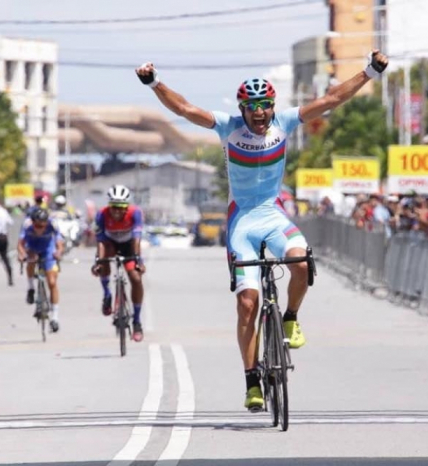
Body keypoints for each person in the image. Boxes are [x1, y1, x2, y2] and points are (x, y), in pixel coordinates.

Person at [136, 49, 389, 410]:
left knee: (301, 262)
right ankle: (252, 380)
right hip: (242, 221)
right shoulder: (227, 127)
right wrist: (154, 83)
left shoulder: (285, 122)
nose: (259, 112)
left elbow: (333, 98)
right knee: (246, 304)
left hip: (272, 215)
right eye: (252, 106)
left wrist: (369, 71)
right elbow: (185, 109)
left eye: (265, 105)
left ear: (273, 106)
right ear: (242, 109)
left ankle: (290, 318)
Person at [91, 185, 146, 342]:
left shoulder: (135, 213)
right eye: (114, 207)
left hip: (129, 246)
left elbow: (136, 239)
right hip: (109, 244)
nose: (116, 211)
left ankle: (136, 321)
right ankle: (107, 294)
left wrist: (138, 260)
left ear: (127, 206)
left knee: (136, 278)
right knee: (103, 261)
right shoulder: (101, 214)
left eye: (121, 207)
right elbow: (100, 241)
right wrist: (98, 262)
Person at [18, 208, 64, 332]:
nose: (40, 228)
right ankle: (31, 287)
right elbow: (20, 244)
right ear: (33, 222)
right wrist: (22, 254)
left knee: (52, 283)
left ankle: (55, 317)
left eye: (43, 225)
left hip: (48, 250)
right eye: (37, 225)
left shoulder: (52, 224)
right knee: (30, 261)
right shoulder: (27, 225)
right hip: (32, 248)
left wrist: (59, 252)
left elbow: (59, 241)